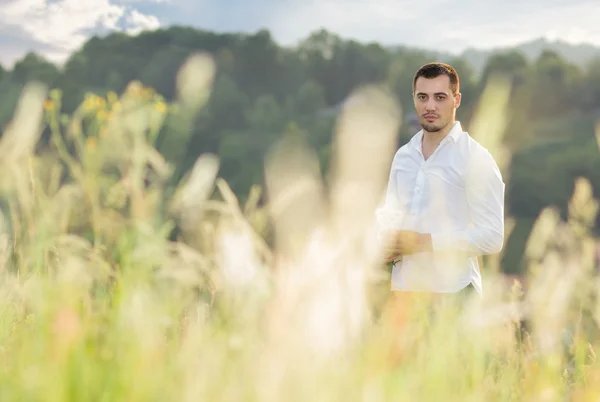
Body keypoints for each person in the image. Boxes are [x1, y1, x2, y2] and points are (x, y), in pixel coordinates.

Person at [379, 62, 505, 300]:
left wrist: (425, 242)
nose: (430, 106)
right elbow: (390, 216)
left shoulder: (476, 158)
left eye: (440, 97)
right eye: (423, 97)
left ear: (456, 100)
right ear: (414, 99)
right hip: (402, 294)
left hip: (454, 295)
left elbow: (492, 237)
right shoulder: (403, 156)